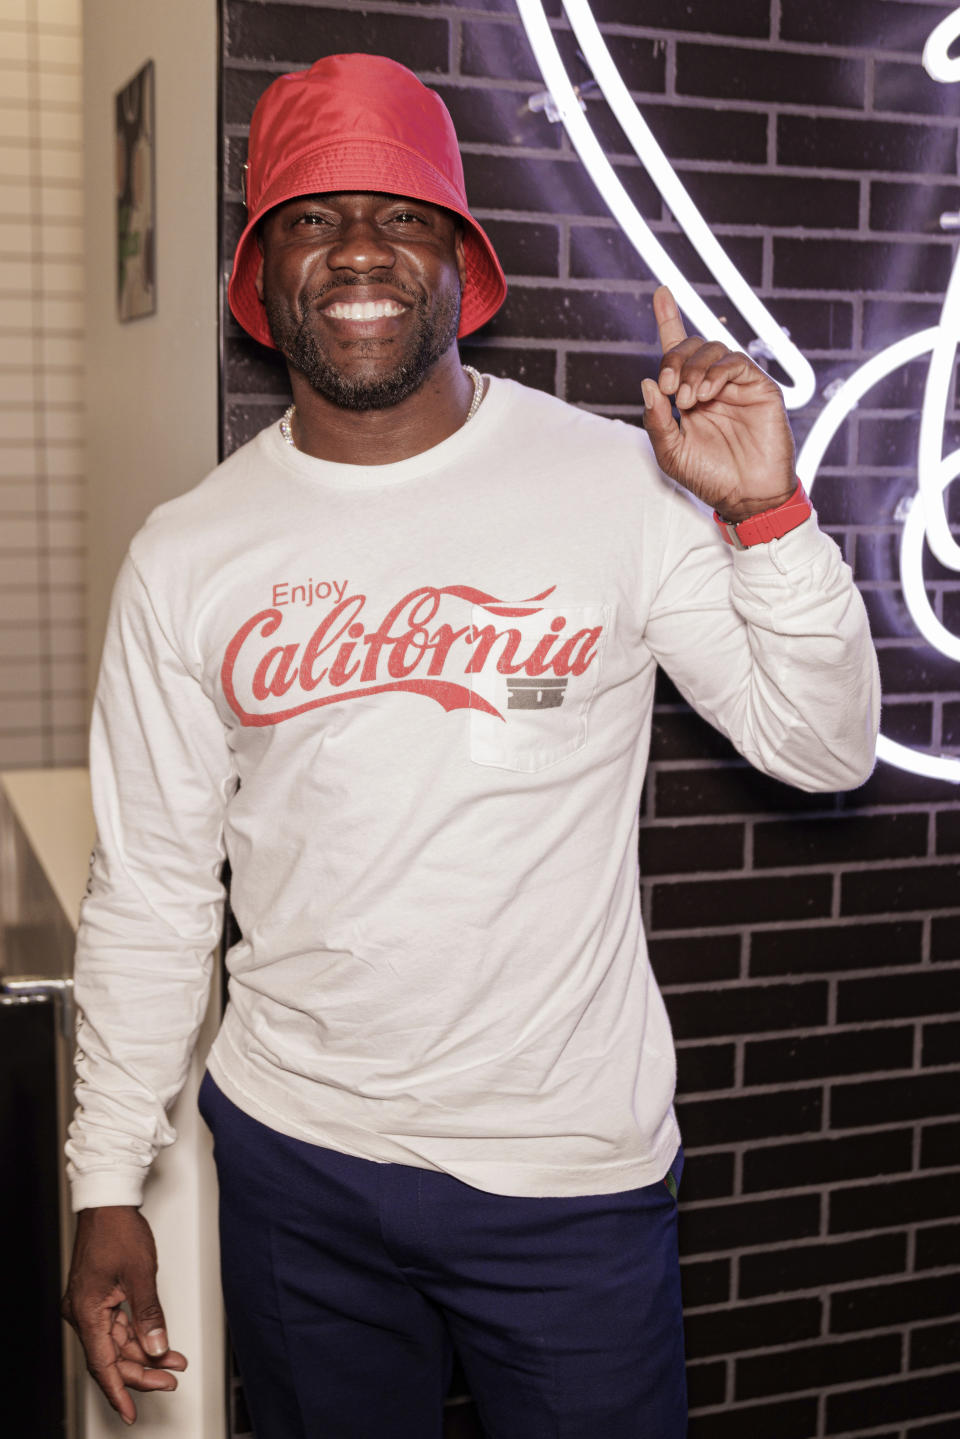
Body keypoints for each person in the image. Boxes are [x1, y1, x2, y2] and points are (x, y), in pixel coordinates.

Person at [61, 52, 879, 1438]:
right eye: (315, 217)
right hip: (293, 1163)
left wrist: (766, 515)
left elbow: (824, 749)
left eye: (403, 214)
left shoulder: (615, 485)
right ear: (264, 276)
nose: (362, 249)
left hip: (561, 1182)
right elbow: (150, 892)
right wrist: (103, 1182)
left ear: (459, 260)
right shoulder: (186, 554)